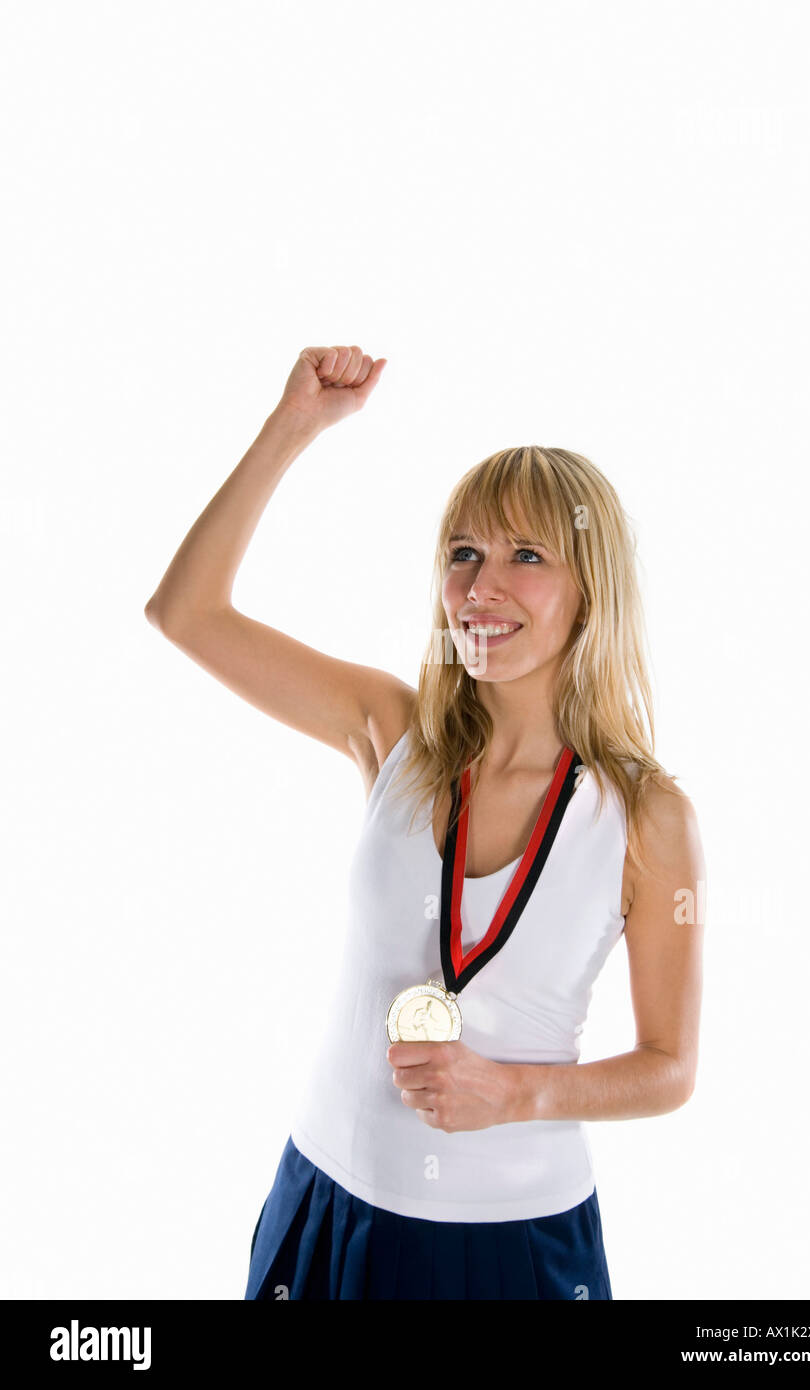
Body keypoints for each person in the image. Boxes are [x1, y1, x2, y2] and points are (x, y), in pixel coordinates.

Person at [144, 344, 706, 1301]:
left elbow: (669, 1069)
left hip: (511, 1244)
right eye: (464, 554)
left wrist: (516, 1093)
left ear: (590, 592)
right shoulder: (394, 730)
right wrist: (296, 424)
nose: (481, 588)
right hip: (326, 1197)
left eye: (527, 555)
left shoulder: (646, 815)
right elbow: (185, 612)